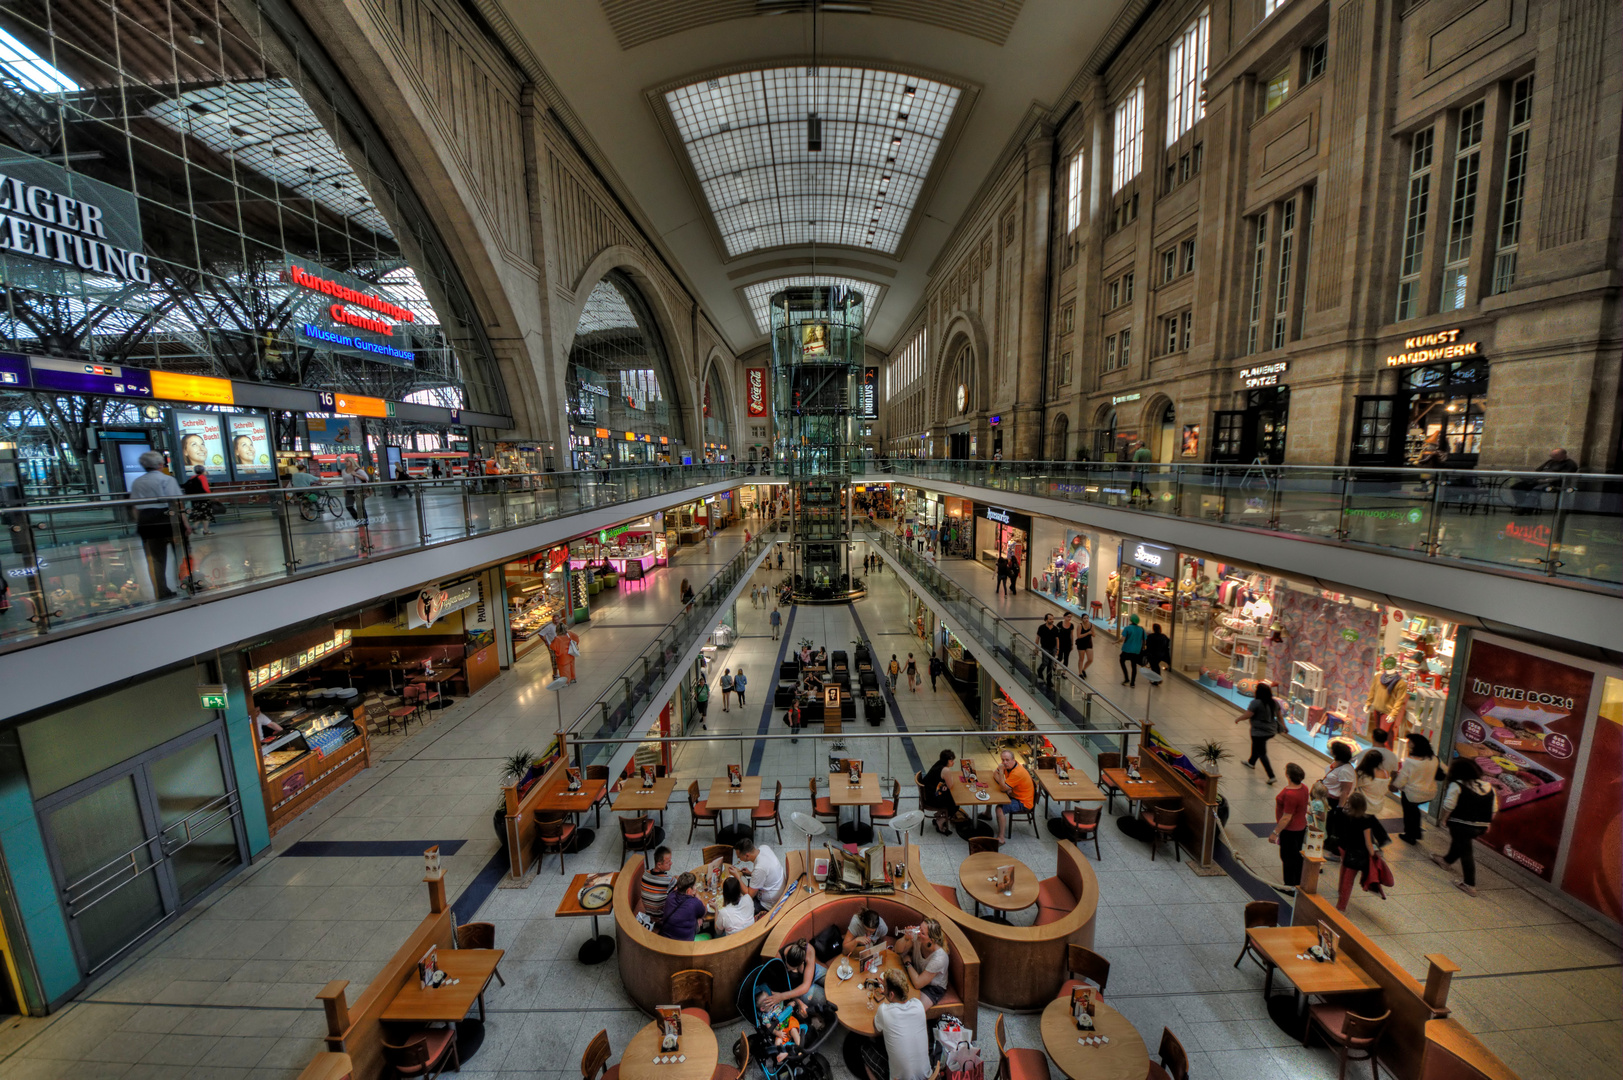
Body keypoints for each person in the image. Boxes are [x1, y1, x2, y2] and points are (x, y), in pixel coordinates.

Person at [1432, 757, 1498, 896]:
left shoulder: (1457, 785)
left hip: (1461, 824)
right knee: (1461, 843)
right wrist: (1488, 824)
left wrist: (1444, 819)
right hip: (1480, 826)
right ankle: (1446, 861)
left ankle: (1469, 884)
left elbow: (1449, 805)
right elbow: (1494, 809)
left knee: (1466, 852)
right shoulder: (1488, 787)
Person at [129, 450, 188, 601]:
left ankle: (161, 591)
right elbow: (177, 502)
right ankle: (186, 585)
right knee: (181, 554)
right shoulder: (167, 480)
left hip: (146, 521)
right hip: (168, 519)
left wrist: (140, 523)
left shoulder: (137, 482)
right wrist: (185, 523)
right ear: (160, 464)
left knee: (156, 559)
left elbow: (135, 506)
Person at [864, 968, 931, 1080]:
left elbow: (876, 1029)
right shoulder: (918, 1005)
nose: (882, 990)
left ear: (891, 994)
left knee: (864, 1048)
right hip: (927, 1077)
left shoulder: (884, 1011)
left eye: (884, 987)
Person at [1333, 793, 1377, 910]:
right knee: (1349, 880)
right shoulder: (1365, 821)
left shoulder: (1345, 815)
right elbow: (1368, 843)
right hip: (1357, 853)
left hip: (1344, 847)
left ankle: (1339, 891)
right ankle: (1341, 905)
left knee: (1343, 870)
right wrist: (1373, 856)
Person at [1392, 734, 1440, 844]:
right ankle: (1416, 832)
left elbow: (1401, 782)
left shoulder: (1411, 762)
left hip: (1412, 794)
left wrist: (1394, 782)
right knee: (1414, 810)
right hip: (1430, 792)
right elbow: (1444, 771)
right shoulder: (1434, 759)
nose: (1408, 745)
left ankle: (1410, 836)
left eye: (1410, 743)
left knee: (1409, 813)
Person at [1270, 762, 1310, 890]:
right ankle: (1298, 882)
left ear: (1288, 775)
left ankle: (1289, 885)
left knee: (1287, 857)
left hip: (1290, 830)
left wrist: (1275, 832)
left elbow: (1287, 817)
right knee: (1297, 856)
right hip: (1301, 827)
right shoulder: (1304, 788)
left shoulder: (1290, 794)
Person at [1236, 682, 1283, 783]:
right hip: (1271, 730)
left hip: (1258, 731)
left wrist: (1238, 719)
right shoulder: (1274, 702)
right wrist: (1284, 726)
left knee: (1262, 753)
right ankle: (1251, 762)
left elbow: (1248, 715)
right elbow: (1279, 716)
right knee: (1257, 745)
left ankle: (1271, 776)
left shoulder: (1256, 703)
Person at [898, 920, 950, 1003]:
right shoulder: (918, 938)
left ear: (931, 941)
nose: (917, 932)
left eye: (922, 933)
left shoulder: (939, 958)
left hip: (932, 988)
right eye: (919, 928)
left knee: (910, 1008)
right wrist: (905, 938)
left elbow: (918, 983)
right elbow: (898, 950)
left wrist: (908, 963)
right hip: (917, 974)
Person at [993, 749, 1035, 846]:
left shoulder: (1017, 772)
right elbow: (995, 774)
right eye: (1003, 760)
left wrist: (1004, 785)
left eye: (1007, 760)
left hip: (1023, 802)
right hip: (1014, 794)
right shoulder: (1008, 766)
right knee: (994, 795)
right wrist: (1004, 785)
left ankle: (1001, 838)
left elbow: (1002, 788)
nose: (1004, 762)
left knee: (999, 809)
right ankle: (987, 814)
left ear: (1013, 760)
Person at [768, 939, 826, 1008]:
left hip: (815, 972)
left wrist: (781, 997)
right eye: (787, 967)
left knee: (833, 983)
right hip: (798, 989)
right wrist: (782, 997)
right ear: (786, 957)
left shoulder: (809, 950)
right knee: (826, 999)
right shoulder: (779, 958)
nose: (788, 969)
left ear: (802, 962)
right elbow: (785, 987)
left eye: (792, 969)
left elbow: (806, 984)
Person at [735, 835, 785, 910]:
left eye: (739, 856)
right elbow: (766, 873)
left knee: (737, 901)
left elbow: (749, 895)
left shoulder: (759, 869)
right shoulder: (764, 848)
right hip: (777, 887)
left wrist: (738, 877)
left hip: (769, 903)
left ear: (747, 856)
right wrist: (751, 873)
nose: (738, 858)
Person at [659, 873, 706, 940]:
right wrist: (697, 896)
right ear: (689, 891)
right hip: (684, 942)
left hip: (666, 936)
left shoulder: (671, 895)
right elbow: (704, 911)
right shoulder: (695, 903)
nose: (696, 888)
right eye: (695, 886)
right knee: (701, 922)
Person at [638, 847, 675, 920]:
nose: (671, 863)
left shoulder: (645, 874)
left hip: (648, 914)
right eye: (668, 862)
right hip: (661, 918)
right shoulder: (669, 880)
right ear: (659, 865)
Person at [180, 464, 214, 535]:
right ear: (203, 470)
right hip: (203, 499)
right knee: (205, 515)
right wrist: (211, 496)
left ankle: (194, 527)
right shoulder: (202, 477)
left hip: (195, 499)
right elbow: (206, 489)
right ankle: (206, 530)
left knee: (199, 514)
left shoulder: (192, 478)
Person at [1324, 741, 1357, 806]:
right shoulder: (1336, 762)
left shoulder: (1346, 771)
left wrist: (1339, 808)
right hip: (1326, 796)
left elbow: (1345, 791)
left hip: (1332, 801)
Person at [1118, 613, 1146, 686]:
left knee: (1122, 660)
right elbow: (1144, 640)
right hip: (1136, 650)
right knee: (1134, 665)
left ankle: (1126, 678)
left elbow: (1122, 639)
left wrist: (1116, 642)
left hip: (1127, 649)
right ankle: (1132, 682)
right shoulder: (1141, 629)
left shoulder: (1127, 628)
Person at [549, 619, 579, 684]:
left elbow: (552, 647)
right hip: (571, 653)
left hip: (562, 656)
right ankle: (573, 678)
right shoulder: (569, 634)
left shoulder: (557, 639)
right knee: (571, 666)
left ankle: (566, 681)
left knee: (564, 669)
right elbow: (576, 638)